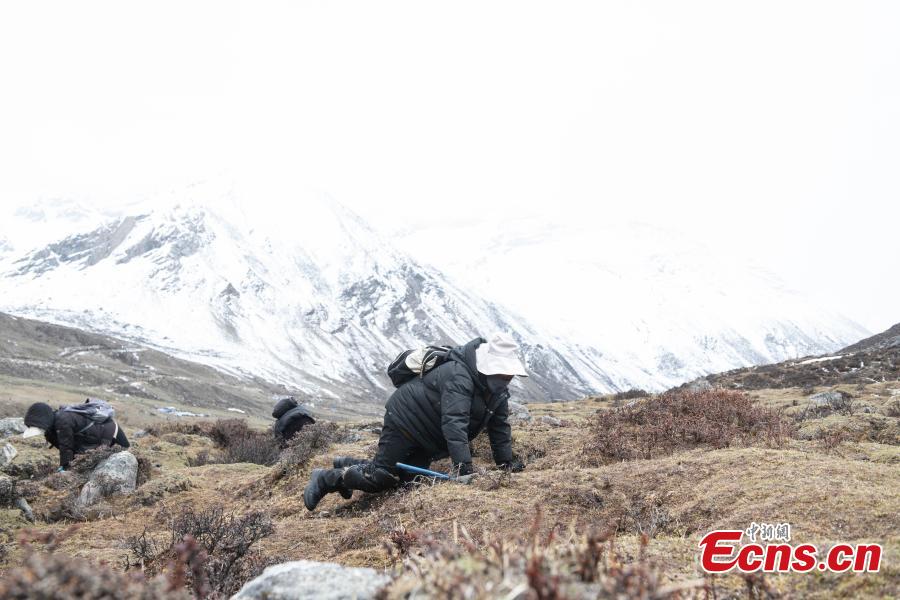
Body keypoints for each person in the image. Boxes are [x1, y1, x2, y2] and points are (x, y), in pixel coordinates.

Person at [303, 332, 528, 511]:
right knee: (380, 476)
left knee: (408, 482)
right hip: (406, 421)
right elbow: (454, 423)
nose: (506, 379)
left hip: (428, 437)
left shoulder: (497, 391)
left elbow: (499, 426)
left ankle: (346, 464)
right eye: (503, 374)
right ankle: (327, 478)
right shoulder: (460, 375)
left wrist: (505, 464)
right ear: (490, 366)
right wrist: (464, 468)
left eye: (509, 375)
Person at [22, 401, 130, 471]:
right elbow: (71, 446)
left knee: (127, 455)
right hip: (98, 434)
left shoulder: (62, 421)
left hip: (111, 431)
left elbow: (66, 447)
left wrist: (65, 468)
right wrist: (70, 464)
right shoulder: (51, 429)